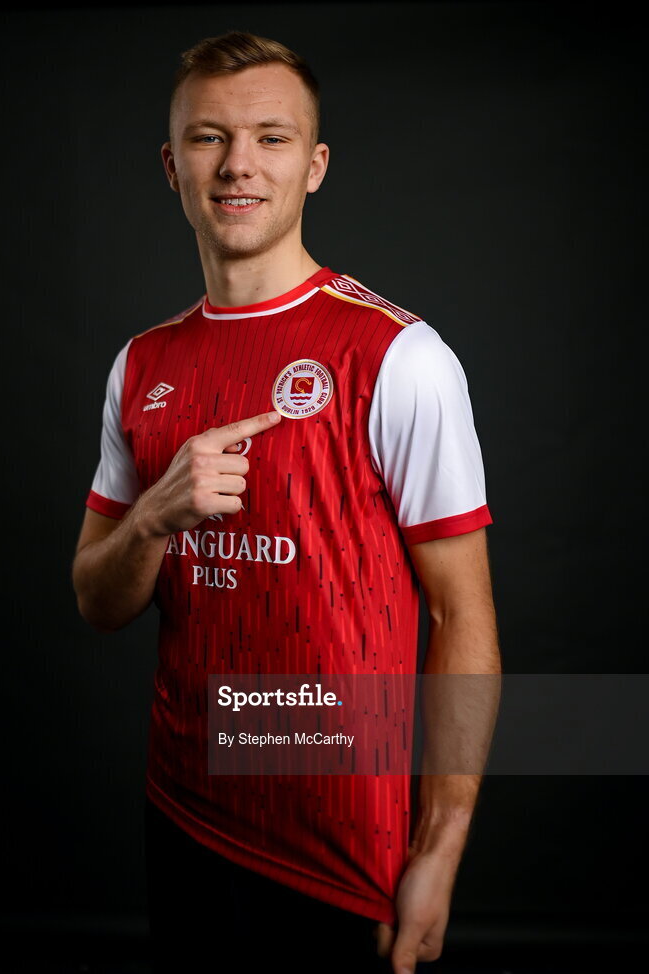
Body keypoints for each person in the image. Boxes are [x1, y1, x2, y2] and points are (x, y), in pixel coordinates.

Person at [72, 30, 501, 974]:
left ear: (313, 167)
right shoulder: (141, 363)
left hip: (343, 846)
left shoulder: (400, 358)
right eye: (207, 138)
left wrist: (438, 848)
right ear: (171, 165)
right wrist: (152, 517)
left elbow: (459, 614)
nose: (237, 166)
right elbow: (96, 603)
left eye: (270, 138)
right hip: (183, 805)